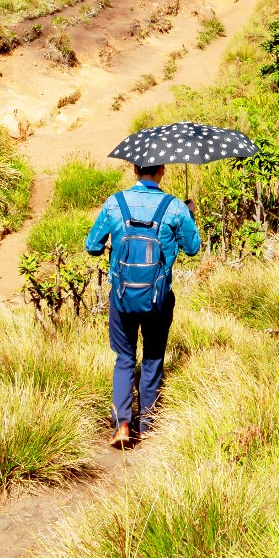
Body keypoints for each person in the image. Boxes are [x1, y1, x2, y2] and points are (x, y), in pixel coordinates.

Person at [84, 163, 200, 447]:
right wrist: (190, 213)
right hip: (159, 298)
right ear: (162, 170)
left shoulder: (115, 203)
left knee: (124, 359)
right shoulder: (174, 207)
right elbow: (193, 248)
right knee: (152, 357)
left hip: (121, 296)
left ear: (134, 169)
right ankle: (147, 424)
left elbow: (92, 246)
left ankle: (122, 423)